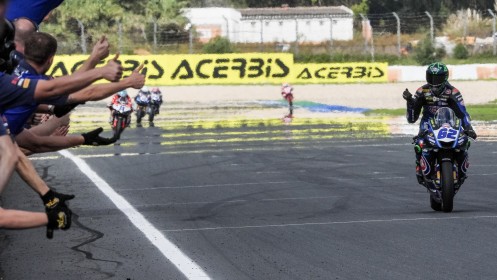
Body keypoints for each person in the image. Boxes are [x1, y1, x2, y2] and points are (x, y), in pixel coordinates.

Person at [6, 32, 145, 154]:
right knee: (15, 155)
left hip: (10, 132)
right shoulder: (37, 83)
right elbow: (88, 92)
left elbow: (37, 144)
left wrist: (95, 57)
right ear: (51, 60)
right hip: (6, 138)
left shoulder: (16, 64)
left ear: (25, 51)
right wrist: (126, 82)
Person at [402, 62, 477, 188]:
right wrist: (410, 102)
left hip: (449, 124)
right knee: (419, 145)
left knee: (465, 142)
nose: (434, 81)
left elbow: (462, 113)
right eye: (431, 77)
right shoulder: (422, 91)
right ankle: (420, 169)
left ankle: (460, 170)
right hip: (427, 126)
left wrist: (469, 128)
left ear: (445, 77)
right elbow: (412, 118)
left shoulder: (453, 92)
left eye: (438, 78)